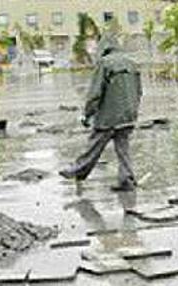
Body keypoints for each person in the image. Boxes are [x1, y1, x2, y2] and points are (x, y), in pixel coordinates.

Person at [59, 34, 142, 191]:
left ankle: (77, 170)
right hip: (128, 115)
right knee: (123, 148)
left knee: (94, 145)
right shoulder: (132, 63)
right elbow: (139, 91)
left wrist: (87, 114)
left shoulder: (105, 64)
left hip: (109, 116)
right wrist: (133, 110)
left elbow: (95, 94)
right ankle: (126, 180)